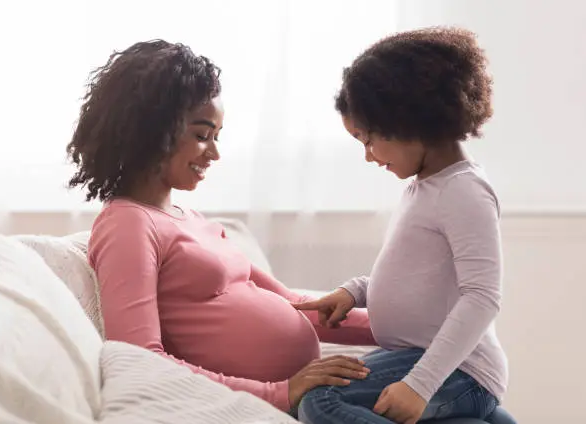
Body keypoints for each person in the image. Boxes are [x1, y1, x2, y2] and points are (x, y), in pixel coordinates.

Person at [65, 39, 377, 414]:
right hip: (286, 398)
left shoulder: (193, 220)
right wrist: (282, 391)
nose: (214, 153)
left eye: (217, 136)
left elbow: (297, 305)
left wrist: (400, 329)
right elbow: (140, 358)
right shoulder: (127, 225)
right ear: (149, 130)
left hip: (316, 387)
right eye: (201, 135)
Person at [294, 27, 510, 424]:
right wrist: (355, 291)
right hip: (421, 358)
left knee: (319, 401)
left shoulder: (463, 191)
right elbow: (416, 273)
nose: (369, 156)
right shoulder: (426, 186)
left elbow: (482, 296)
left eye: (368, 139)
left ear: (409, 118)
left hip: (459, 370)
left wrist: (420, 384)